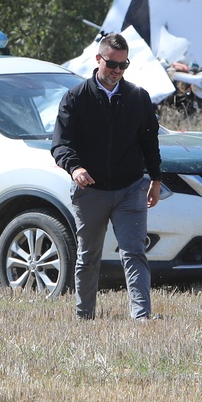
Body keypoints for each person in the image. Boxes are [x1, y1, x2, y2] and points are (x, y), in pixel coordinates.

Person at [51, 32, 162, 321]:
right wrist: (74, 167)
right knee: (88, 259)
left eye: (123, 65)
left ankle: (141, 317)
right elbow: (60, 145)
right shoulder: (76, 98)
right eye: (112, 64)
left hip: (130, 189)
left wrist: (156, 180)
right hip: (91, 191)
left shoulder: (137, 97)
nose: (117, 71)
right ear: (98, 59)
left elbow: (150, 143)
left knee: (134, 253)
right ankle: (84, 317)